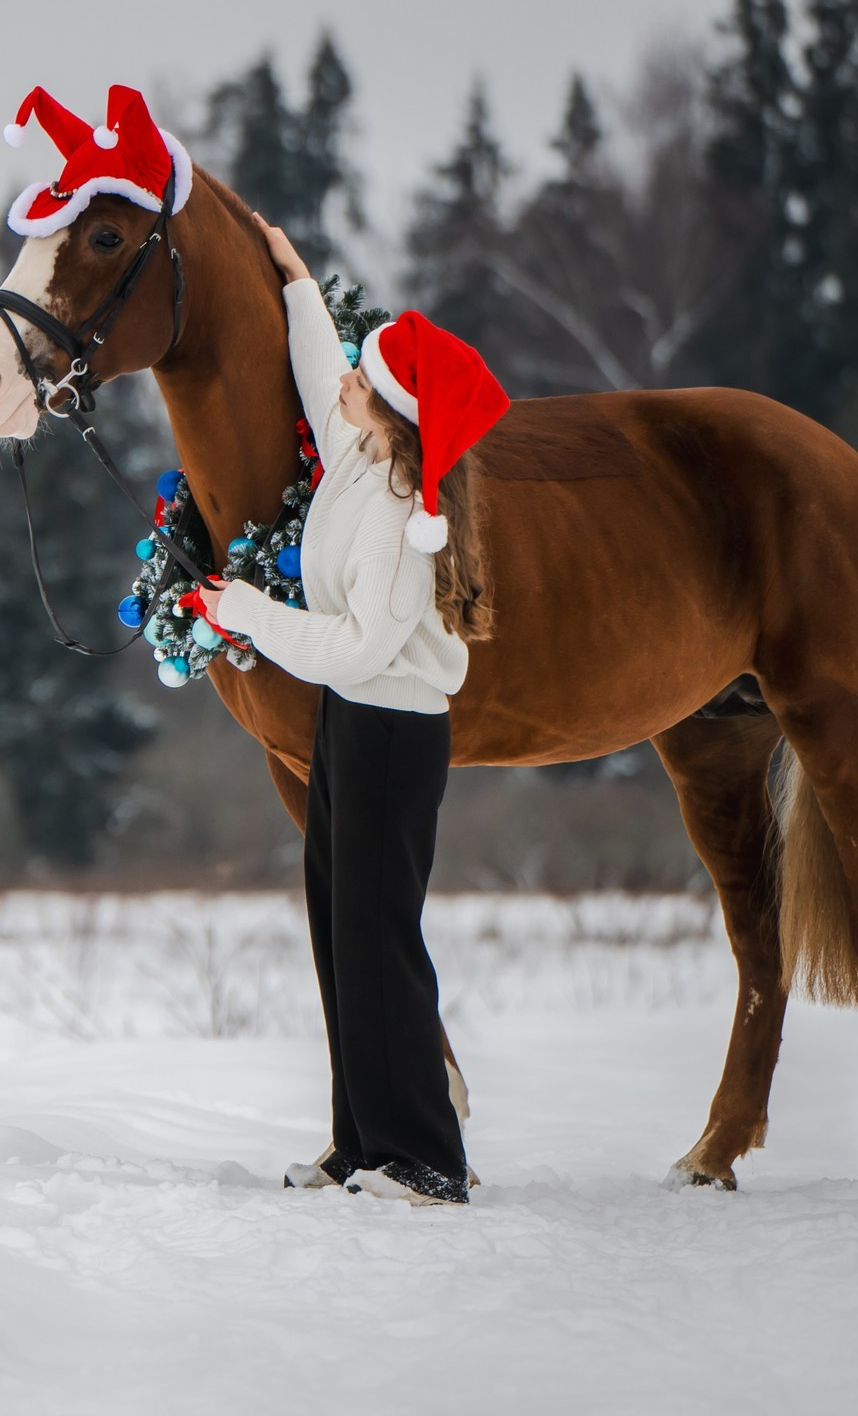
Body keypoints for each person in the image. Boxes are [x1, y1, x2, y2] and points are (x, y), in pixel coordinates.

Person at [196, 214, 509, 1207]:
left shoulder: (401, 518)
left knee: (382, 937)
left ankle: (425, 1157)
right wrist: (290, 279)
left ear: (392, 408)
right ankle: (359, 1141)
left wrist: (245, 610)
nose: (343, 385)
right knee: (342, 930)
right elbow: (316, 359)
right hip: (350, 727)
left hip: (389, 731)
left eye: (361, 380)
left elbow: (360, 646)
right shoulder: (364, 457)